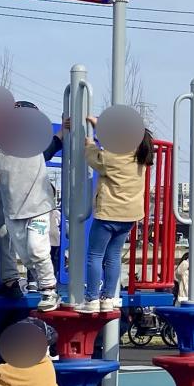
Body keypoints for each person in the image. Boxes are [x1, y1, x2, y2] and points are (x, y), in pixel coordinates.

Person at [79, 119, 151, 311]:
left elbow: (95, 160)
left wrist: (89, 145)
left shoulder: (115, 155)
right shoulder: (140, 155)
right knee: (113, 256)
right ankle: (108, 297)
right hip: (129, 216)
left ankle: (92, 298)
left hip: (108, 214)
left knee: (95, 255)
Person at [0, 101, 62, 311]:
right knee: (26, 256)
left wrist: (63, 131)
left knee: (37, 249)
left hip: (38, 207)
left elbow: (53, 144)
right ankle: (40, 280)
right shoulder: (2, 148)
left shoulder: (36, 146)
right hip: (14, 210)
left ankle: (49, 289)